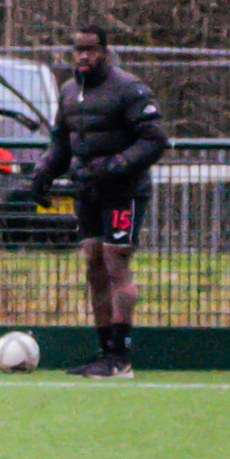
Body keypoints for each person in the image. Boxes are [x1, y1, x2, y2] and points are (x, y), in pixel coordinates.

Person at [31, 26, 169, 378]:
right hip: (87, 191)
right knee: (93, 264)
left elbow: (155, 139)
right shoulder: (68, 91)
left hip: (124, 192)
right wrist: (44, 171)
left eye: (91, 50)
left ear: (104, 50)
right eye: (78, 50)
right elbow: (62, 141)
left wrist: (117, 165)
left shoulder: (129, 89)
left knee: (115, 263)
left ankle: (121, 357)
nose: (84, 56)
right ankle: (104, 351)